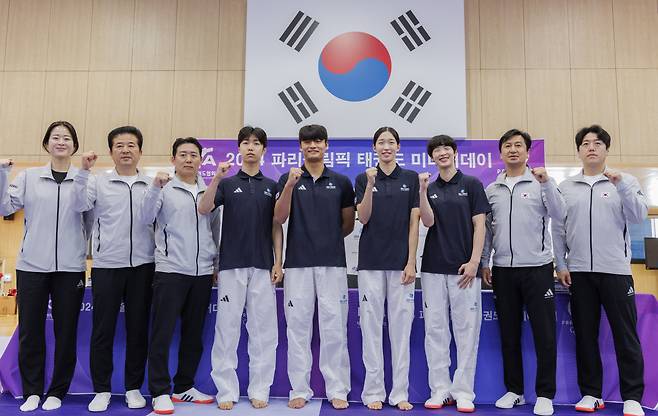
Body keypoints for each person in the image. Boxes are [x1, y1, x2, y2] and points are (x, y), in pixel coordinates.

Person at [552, 125, 646, 416]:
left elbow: (639, 215)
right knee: (585, 335)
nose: (591, 147)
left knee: (625, 335)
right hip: (579, 273)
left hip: (616, 271)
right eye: (585, 143)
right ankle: (591, 393)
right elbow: (557, 229)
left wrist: (622, 185)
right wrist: (561, 264)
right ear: (579, 150)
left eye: (597, 143)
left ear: (606, 148)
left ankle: (632, 396)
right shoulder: (565, 188)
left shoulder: (624, 181)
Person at [0, 121, 90, 412]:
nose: (61, 142)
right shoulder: (29, 177)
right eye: (55, 137)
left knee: (66, 331)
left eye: (66, 138)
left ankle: (57, 391)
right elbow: (5, 208)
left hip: (70, 268)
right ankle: (32, 390)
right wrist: (3, 173)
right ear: (46, 144)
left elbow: (88, 220)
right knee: (30, 330)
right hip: (32, 266)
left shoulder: (84, 178)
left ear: (74, 145)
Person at [198, 126, 283, 410]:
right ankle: (226, 391)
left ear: (263, 150)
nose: (250, 147)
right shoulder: (226, 183)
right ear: (238, 148)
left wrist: (278, 262)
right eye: (245, 143)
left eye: (256, 143)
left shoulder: (272, 186)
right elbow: (204, 208)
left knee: (264, 332)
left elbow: (276, 227)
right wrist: (217, 177)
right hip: (231, 265)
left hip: (262, 266)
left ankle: (260, 388)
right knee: (227, 329)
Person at [480, 129, 564, 416]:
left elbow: (559, 213)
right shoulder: (492, 189)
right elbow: (488, 232)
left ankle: (545, 394)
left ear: (528, 152)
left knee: (544, 334)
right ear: (500, 153)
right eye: (507, 146)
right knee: (509, 333)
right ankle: (514, 390)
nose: (513, 150)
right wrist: (484, 262)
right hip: (503, 270)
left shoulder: (541, 182)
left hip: (538, 269)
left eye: (518, 146)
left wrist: (549, 183)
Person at [72, 126, 155, 412]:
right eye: (119, 145)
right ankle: (102, 389)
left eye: (132, 145)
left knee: (137, 330)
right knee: (102, 331)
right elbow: (79, 203)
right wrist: (83, 170)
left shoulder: (152, 183)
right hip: (107, 266)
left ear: (140, 151)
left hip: (143, 266)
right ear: (111, 152)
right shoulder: (98, 182)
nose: (126, 150)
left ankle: (133, 387)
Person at [273, 124, 355, 410]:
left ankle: (337, 388)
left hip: (332, 263)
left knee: (334, 326)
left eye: (318, 141)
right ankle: (299, 388)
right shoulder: (289, 178)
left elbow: (347, 224)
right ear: (300, 146)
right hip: (297, 264)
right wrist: (289, 186)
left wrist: (326, 240)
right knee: (297, 328)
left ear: (326, 145)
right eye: (307, 142)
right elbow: (279, 217)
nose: (312, 146)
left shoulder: (342, 181)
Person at [139, 137, 220, 415]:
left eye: (193, 155)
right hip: (170, 270)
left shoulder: (209, 190)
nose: (188, 159)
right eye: (183, 154)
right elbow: (146, 218)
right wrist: (154, 188)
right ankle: (159, 391)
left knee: (193, 334)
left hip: (202, 272)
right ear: (173, 159)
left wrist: (216, 264)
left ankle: (185, 386)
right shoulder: (163, 187)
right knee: (162, 333)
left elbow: (215, 230)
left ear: (201, 160)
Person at [418, 135, 489, 412]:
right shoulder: (429, 187)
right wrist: (422, 192)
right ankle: (440, 389)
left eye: (447, 148)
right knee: (435, 331)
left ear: (455, 153)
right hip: (434, 269)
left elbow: (480, 225)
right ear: (432, 158)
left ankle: (463, 392)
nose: (442, 152)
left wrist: (474, 262)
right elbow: (427, 221)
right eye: (437, 150)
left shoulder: (471, 184)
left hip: (465, 271)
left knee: (466, 332)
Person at [354, 127, 419, 411]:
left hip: (400, 265)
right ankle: (373, 392)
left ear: (398, 147)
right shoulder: (363, 178)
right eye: (381, 142)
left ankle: (400, 392)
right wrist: (370, 185)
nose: (386, 146)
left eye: (391, 142)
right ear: (374, 148)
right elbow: (363, 217)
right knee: (370, 329)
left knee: (401, 330)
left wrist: (411, 261)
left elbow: (414, 222)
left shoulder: (410, 179)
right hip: (370, 264)